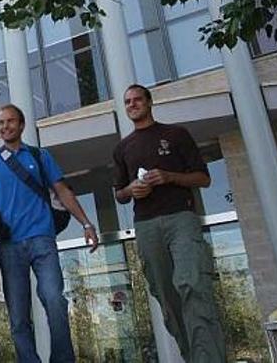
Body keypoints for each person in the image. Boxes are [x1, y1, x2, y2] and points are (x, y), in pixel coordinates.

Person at [0, 104, 98, 363]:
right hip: (8, 245)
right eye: (0, 123)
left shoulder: (40, 156)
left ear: (21, 125)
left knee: (54, 300)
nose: (5, 126)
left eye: (10, 121)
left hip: (42, 237)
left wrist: (86, 224)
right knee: (18, 316)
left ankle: (62, 359)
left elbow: (62, 191)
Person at [112, 84, 226, 362]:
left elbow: (203, 178)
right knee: (167, 299)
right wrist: (132, 190)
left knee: (191, 284)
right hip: (146, 225)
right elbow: (119, 194)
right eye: (128, 102)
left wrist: (168, 176)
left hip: (181, 218)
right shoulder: (122, 148)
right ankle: (192, 356)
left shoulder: (176, 134)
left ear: (149, 102)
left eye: (138, 99)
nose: (133, 105)